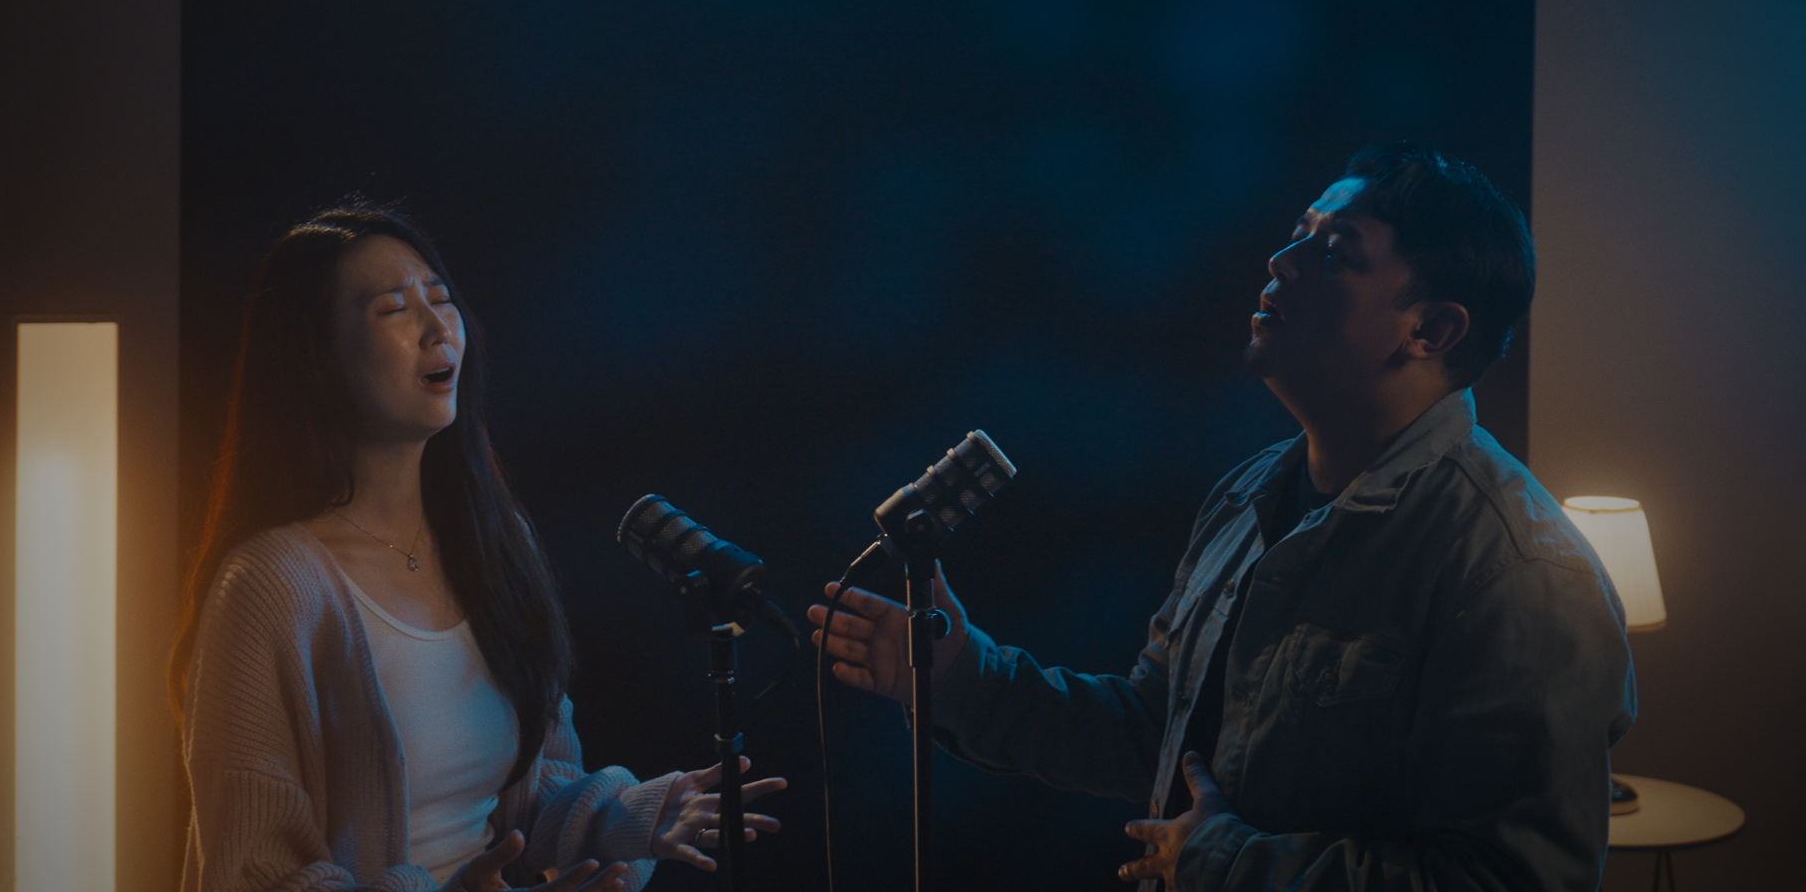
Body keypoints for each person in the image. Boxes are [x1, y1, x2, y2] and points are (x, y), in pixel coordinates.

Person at [810, 144, 1637, 892]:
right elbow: (1159, 733)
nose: (1280, 260)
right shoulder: (1248, 497)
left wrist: (1231, 865)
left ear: (1434, 327)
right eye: (1297, 233)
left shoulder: (1519, 573)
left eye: (1333, 252)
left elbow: (1513, 883)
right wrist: (961, 675)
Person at [172, 200, 785, 892]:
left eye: (441, 299)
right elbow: (253, 872)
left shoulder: (493, 542)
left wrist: (631, 816)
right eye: (394, 310)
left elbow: (530, 798)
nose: (439, 327)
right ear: (314, 357)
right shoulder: (269, 585)